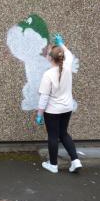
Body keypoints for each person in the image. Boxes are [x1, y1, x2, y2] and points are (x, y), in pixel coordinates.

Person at [35, 34, 82, 174]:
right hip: (67, 108)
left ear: (50, 58)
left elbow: (44, 97)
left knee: (53, 136)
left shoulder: (48, 74)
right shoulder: (67, 66)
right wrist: (61, 43)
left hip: (53, 111)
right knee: (64, 134)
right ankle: (75, 161)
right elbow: (69, 54)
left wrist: (39, 114)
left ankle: (53, 165)